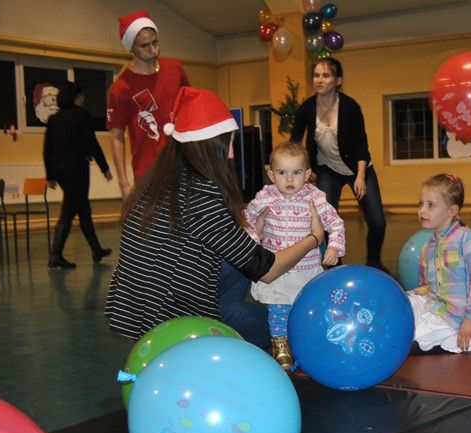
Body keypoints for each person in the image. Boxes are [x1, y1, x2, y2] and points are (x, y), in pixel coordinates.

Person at [105, 87, 325, 342]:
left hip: (136, 312)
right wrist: (314, 238)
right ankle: (241, 323)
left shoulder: (159, 181)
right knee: (289, 322)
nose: (231, 153)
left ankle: (229, 310)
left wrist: (252, 235)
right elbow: (267, 269)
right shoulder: (201, 196)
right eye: (228, 144)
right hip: (173, 323)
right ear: (209, 147)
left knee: (242, 253)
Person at [245, 141, 345, 369]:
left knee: (309, 310)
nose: (289, 180)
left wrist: (334, 247)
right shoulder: (265, 197)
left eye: (297, 173)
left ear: (307, 174)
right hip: (277, 270)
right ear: (271, 174)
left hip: (306, 270)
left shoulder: (314, 198)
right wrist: (255, 238)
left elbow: (335, 223)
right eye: (282, 173)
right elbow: (247, 220)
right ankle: (280, 346)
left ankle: (309, 345)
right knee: (278, 310)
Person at [290, 57, 388, 272]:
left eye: (326, 75)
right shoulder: (307, 108)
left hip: (358, 168)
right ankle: (335, 266)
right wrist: (302, 170)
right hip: (328, 170)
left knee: (378, 221)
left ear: (338, 80)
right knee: (326, 220)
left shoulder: (350, 107)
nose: (320, 80)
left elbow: (362, 145)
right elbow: (295, 142)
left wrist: (360, 176)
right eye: (316, 75)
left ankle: (374, 261)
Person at [107, 9, 189, 199]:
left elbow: (190, 106)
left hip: (182, 163)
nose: (153, 50)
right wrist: (123, 183)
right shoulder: (121, 87)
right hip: (149, 172)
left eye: (155, 42)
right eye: (144, 45)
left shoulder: (175, 69)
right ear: (130, 47)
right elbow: (116, 137)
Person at [407, 174, 471, 353]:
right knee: (400, 308)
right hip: (433, 307)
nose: (422, 211)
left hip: (455, 317)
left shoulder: (466, 238)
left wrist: (470, 319)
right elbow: (427, 287)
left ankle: (460, 337)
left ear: (452, 210)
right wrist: (408, 295)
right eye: (421, 204)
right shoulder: (428, 246)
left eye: (430, 205)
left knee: (412, 336)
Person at [44, 81, 114, 268]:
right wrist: (104, 168)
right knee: (69, 209)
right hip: (77, 167)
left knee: (82, 208)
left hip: (59, 169)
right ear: (77, 96)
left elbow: (47, 149)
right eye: (82, 95)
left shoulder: (54, 119)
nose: (84, 98)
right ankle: (55, 254)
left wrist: (50, 175)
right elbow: (92, 143)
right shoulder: (82, 115)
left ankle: (96, 249)